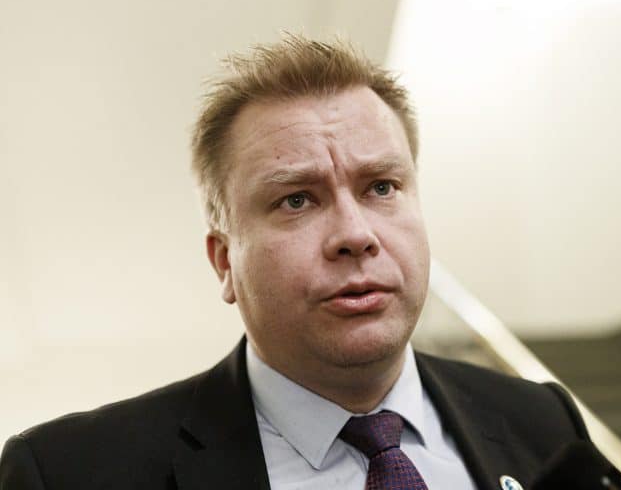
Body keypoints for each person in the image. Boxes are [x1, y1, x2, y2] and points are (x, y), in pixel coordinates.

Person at [0, 35, 589, 490]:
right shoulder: (69, 473)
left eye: (381, 187)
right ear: (224, 261)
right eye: (297, 200)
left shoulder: (544, 423)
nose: (355, 235)